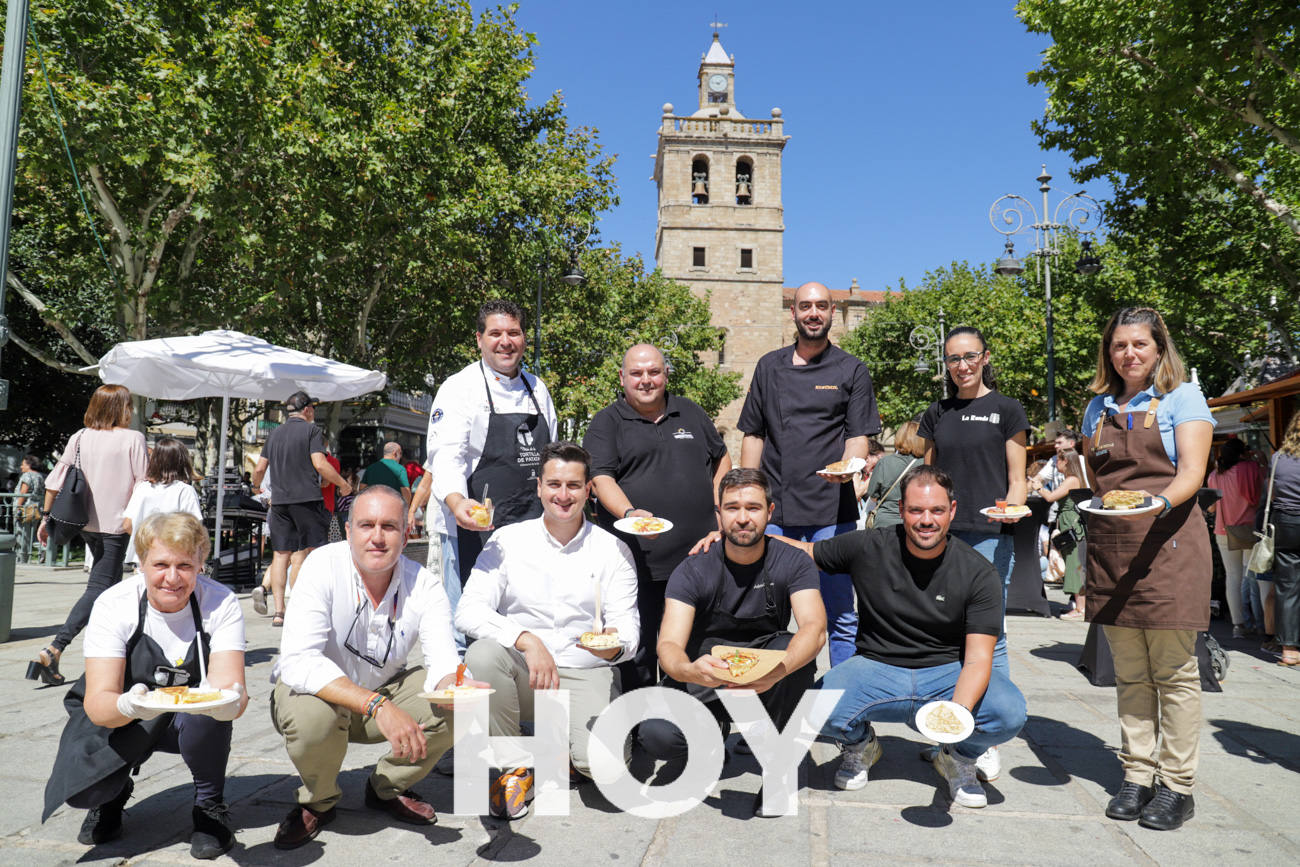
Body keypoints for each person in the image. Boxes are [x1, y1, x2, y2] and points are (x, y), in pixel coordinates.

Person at [781, 465, 1026, 809]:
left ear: (951, 511)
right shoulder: (870, 546)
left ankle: (958, 756)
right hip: (875, 668)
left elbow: (978, 659)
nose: (926, 520)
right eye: (916, 510)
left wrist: (955, 717)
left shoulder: (977, 571)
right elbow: (804, 553)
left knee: (1010, 712)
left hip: (946, 672)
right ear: (901, 510)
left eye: (937, 510)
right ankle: (862, 745)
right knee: (815, 709)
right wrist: (738, 536)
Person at [269, 485, 477, 849]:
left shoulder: (424, 585)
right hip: (319, 699)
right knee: (310, 716)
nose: (377, 538)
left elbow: (444, 660)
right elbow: (298, 661)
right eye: (366, 525)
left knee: (456, 704)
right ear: (348, 531)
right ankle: (319, 799)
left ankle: (386, 786)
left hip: (383, 693)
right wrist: (375, 705)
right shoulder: (321, 566)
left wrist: (458, 686)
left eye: (389, 527)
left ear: (407, 532)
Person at [42, 512, 248, 859]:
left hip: (187, 721)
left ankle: (209, 807)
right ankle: (112, 794)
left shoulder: (221, 602)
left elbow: (229, 686)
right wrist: (129, 706)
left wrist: (229, 703)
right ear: (140, 563)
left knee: (204, 715)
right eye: (160, 564)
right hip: (124, 712)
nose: (172, 578)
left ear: (201, 563)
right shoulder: (113, 604)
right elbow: (99, 701)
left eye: (184, 565)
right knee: (83, 788)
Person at [1080, 306, 1215, 831]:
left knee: (1175, 674)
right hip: (1113, 550)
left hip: (1169, 547)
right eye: (1119, 346)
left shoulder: (1184, 398)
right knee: (1130, 674)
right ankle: (1136, 775)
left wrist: (1155, 505)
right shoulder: (1097, 407)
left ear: (1159, 348)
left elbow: (1191, 474)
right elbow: (1097, 479)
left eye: (1139, 344)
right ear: (1108, 352)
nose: (1128, 354)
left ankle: (1177, 786)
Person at [455, 442, 638, 819]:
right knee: (482, 655)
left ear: (589, 490)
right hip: (526, 672)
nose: (563, 495)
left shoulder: (613, 550)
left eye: (573, 485)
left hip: (585, 670)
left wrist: (614, 648)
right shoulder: (507, 541)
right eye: (554, 484)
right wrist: (526, 639)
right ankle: (515, 764)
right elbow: (467, 611)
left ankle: (570, 746)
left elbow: (630, 630)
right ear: (539, 487)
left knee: (605, 771)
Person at [643, 468, 826, 817]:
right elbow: (668, 644)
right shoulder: (694, 568)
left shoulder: (793, 562)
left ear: (770, 512)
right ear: (719, 514)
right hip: (706, 673)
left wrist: (778, 670)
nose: (743, 518)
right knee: (657, 735)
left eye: (753, 508)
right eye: (732, 508)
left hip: (765, 672)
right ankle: (710, 740)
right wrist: (690, 670)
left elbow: (815, 628)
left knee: (797, 653)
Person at [734, 281, 881, 667]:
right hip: (776, 512)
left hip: (832, 514)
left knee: (841, 617)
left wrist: (848, 467)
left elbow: (858, 436)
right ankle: (770, 700)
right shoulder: (769, 366)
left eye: (820, 306)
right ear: (793, 313)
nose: (812, 313)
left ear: (833, 312)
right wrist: (747, 497)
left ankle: (845, 715)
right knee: (763, 613)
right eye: (805, 306)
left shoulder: (852, 369)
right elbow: (754, 434)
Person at [583, 343, 731, 689]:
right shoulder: (607, 422)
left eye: (654, 372)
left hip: (699, 561)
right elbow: (601, 478)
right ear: (622, 378)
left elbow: (721, 458)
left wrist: (719, 506)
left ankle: (691, 730)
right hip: (637, 564)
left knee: (695, 652)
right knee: (640, 654)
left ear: (665, 375)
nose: (646, 380)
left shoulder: (690, 412)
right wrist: (630, 513)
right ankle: (642, 731)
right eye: (636, 373)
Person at [917, 325, 1029, 782]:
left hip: (987, 534)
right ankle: (945, 731)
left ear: (984, 358)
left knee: (990, 636)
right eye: (953, 359)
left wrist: (1014, 509)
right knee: (940, 632)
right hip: (937, 535)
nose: (961, 366)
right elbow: (926, 478)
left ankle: (984, 739)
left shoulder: (1006, 409)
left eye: (969, 356)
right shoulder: (936, 413)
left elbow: (1017, 476)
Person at [423, 299, 558, 645]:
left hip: (527, 528)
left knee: (522, 624)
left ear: (524, 338)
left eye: (513, 333)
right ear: (479, 340)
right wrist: (457, 504)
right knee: (466, 627)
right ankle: (467, 698)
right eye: (495, 333)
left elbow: (551, 456)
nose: (505, 341)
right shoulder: (459, 388)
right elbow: (445, 456)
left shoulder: (537, 389)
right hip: (470, 528)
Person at [29, 385, 149, 686]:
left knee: (106, 588)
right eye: (128, 406)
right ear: (120, 408)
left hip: (84, 524)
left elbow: (54, 482)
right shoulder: (133, 439)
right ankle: (54, 648)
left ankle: (110, 650)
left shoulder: (80, 437)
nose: (131, 411)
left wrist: (47, 518)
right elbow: (144, 485)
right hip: (117, 526)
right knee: (100, 588)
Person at [252, 391, 352, 627]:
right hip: (307, 500)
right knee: (314, 553)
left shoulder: (274, 434)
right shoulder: (312, 431)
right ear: (307, 410)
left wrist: (257, 487)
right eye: (313, 409)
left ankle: (279, 612)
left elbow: (259, 469)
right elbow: (320, 463)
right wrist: (343, 484)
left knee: (280, 555)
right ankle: (308, 605)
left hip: (279, 503)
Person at [120, 437, 204, 572]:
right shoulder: (185, 491)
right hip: (176, 558)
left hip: (144, 558)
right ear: (183, 462)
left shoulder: (143, 488)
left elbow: (127, 524)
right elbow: (195, 528)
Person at [1206, 438, 1263, 637]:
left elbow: (1211, 507)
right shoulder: (1251, 468)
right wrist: (1261, 461)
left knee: (1233, 577)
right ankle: (1258, 623)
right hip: (1248, 529)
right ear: (1242, 454)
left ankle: (1238, 625)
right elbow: (1260, 494)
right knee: (1252, 576)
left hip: (1223, 530)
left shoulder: (1215, 475)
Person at [1266, 412, 1300, 666]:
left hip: (1285, 521)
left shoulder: (1277, 459)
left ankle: (1289, 651)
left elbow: (1270, 492)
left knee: (1287, 587)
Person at [1039, 449, 1086, 620]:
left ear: (1066, 461)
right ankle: (1080, 606)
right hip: (1068, 523)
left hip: (1072, 525)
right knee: (1073, 564)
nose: (1055, 464)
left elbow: (1051, 497)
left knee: (1075, 566)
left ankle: (1080, 608)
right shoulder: (1071, 479)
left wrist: (1038, 486)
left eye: (1057, 460)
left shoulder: (1072, 480)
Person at [858, 420, 925, 531]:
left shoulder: (885, 462)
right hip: (916, 521)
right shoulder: (927, 463)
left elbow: (873, 494)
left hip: (885, 522)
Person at [361, 441, 413, 506]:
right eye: (400, 453)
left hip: (373, 506)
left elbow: (362, 489)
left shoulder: (371, 468)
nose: (401, 457)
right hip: (392, 507)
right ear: (395, 454)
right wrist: (406, 508)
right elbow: (405, 492)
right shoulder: (400, 469)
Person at [16, 453, 45, 563]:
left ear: (29, 465)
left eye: (23, 464)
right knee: (33, 533)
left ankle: (21, 558)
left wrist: (18, 506)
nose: (21, 466)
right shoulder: (40, 476)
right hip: (37, 509)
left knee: (23, 534)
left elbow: (23, 492)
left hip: (25, 509)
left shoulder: (27, 476)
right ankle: (43, 549)